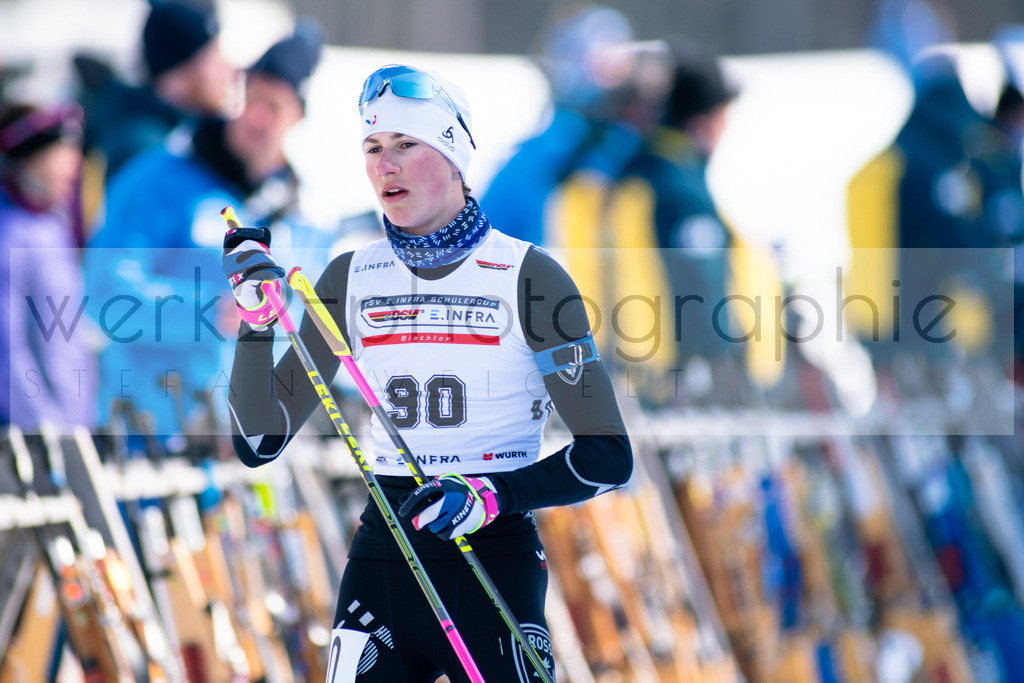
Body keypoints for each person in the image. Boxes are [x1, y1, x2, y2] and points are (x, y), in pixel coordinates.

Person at [226, 63, 633, 680]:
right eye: (372, 147)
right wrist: (256, 325)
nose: (384, 165)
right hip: (383, 559)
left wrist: (493, 497)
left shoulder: (529, 276)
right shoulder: (346, 279)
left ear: (453, 155)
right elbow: (259, 440)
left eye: (406, 144)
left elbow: (608, 457)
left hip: (489, 555)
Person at [83, 20, 330, 440]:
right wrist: (209, 312)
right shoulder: (155, 180)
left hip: (252, 447)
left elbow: (314, 327)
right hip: (153, 435)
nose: (256, 117)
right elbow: (105, 295)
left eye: (273, 107)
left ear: (297, 118)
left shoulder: (302, 214)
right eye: (251, 97)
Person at [0, 101, 96, 429]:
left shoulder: (52, 224)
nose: (77, 165)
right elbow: (6, 349)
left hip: (72, 424)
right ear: (31, 157)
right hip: (32, 436)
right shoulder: (8, 233)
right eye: (64, 152)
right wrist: (45, 428)